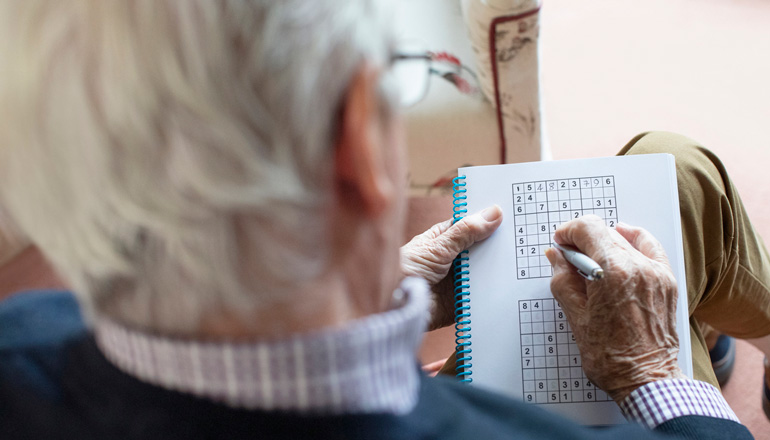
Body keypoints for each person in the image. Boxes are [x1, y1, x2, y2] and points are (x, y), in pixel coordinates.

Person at [0, 1, 765, 439]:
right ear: (361, 150)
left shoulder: (20, 344)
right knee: (680, 172)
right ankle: (695, 336)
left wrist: (352, 297)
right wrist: (656, 380)